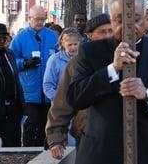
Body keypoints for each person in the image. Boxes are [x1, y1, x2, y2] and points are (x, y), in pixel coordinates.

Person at [67, 0, 148, 164]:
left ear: (146, 17)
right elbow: (75, 97)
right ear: (111, 19)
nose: (128, 26)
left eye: (136, 18)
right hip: (104, 152)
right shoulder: (91, 52)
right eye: (120, 19)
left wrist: (147, 94)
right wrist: (111, 70)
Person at [46, 13, 113, 160]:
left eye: (111, 30)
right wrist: (56, 137)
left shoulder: (126, 58)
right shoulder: (78, 63)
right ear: (90, 35)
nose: (108, 35)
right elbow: (62, 102)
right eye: (102, 32)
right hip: (88, 134)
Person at [10, 5, 59, 147]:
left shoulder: (52, 36)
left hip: (49, 91)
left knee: (47, 125)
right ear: (29, 18)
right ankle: (29, 150)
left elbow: (60, 56)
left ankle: (46, 153)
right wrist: (25, 63)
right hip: (29, 91)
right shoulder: (20, 38)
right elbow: (11, 60)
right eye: (37, 19)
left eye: (42, 19)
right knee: (31, 124)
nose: (40, 22)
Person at [43, 28, 82, 100]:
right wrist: (60, 100)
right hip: (61, 106)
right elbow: (47, 86)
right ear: (63, 43)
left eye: (75, 44)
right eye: (69, 45)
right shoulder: (54, 59)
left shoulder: (83, 58)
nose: (73, 47)